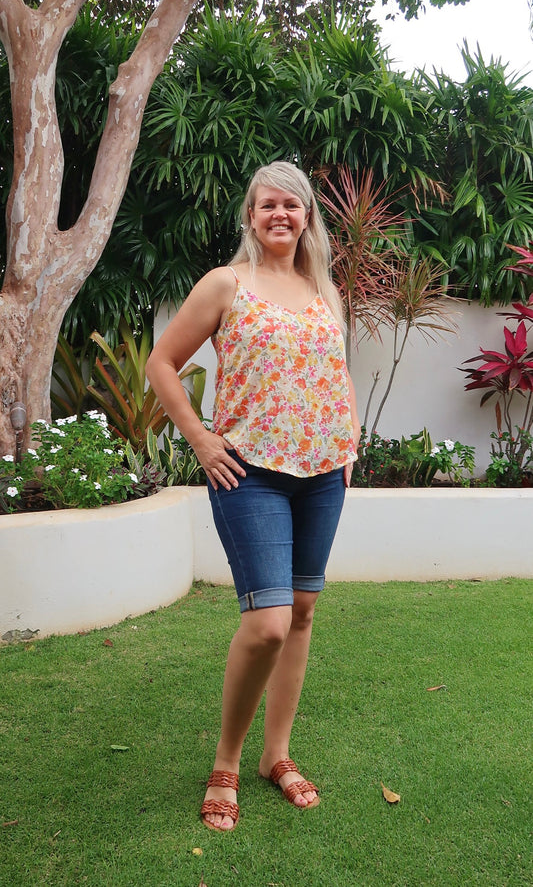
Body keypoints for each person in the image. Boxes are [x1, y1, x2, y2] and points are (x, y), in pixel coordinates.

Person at [145, 161, 360, 831]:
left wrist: (348, 444)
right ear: (250, 214)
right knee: (265, 621)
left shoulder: (322, 289)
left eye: (291, 206)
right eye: (268, 204)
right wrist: (201, 439)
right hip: (249, 471)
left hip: (323, 472)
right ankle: (226, 762)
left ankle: (277, 754)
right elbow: (161, 363)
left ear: (306, 218)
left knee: (299, 614)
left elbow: (333, 372)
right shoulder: (225, 284)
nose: (280, 215)